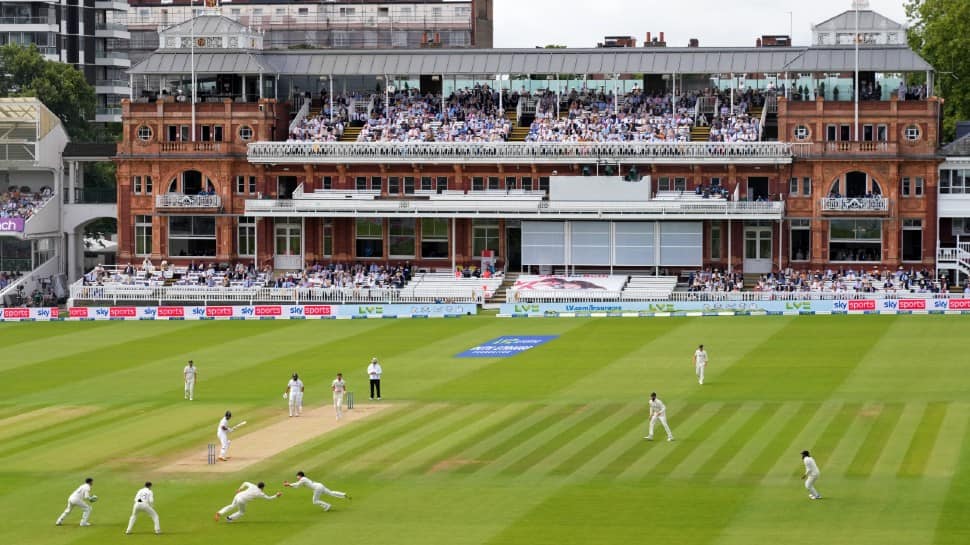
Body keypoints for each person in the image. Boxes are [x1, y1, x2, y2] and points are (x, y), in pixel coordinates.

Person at [214, 481, 282, 522]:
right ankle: (229, 518)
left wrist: (239, 489)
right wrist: (276, 495)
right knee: (241, 512)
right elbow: (269, 498)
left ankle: (219, 513)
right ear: (262, 487)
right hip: (241, 500)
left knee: (232, 506)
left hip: (238, 495)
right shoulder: (260, 493)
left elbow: (245, 482)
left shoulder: (253, 486)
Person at [283, 471, 350, 511]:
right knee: (331, 493)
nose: (297, 477)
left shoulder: (303, 479)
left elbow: (297, 484)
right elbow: (297, 485)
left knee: (314, 501)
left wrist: (288, 484)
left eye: (297, 476)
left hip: (317, 488)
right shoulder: (304, 479)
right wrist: (289, 485)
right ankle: (343, 494)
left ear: (300, 475)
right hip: (320, 485)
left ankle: (327, 506)